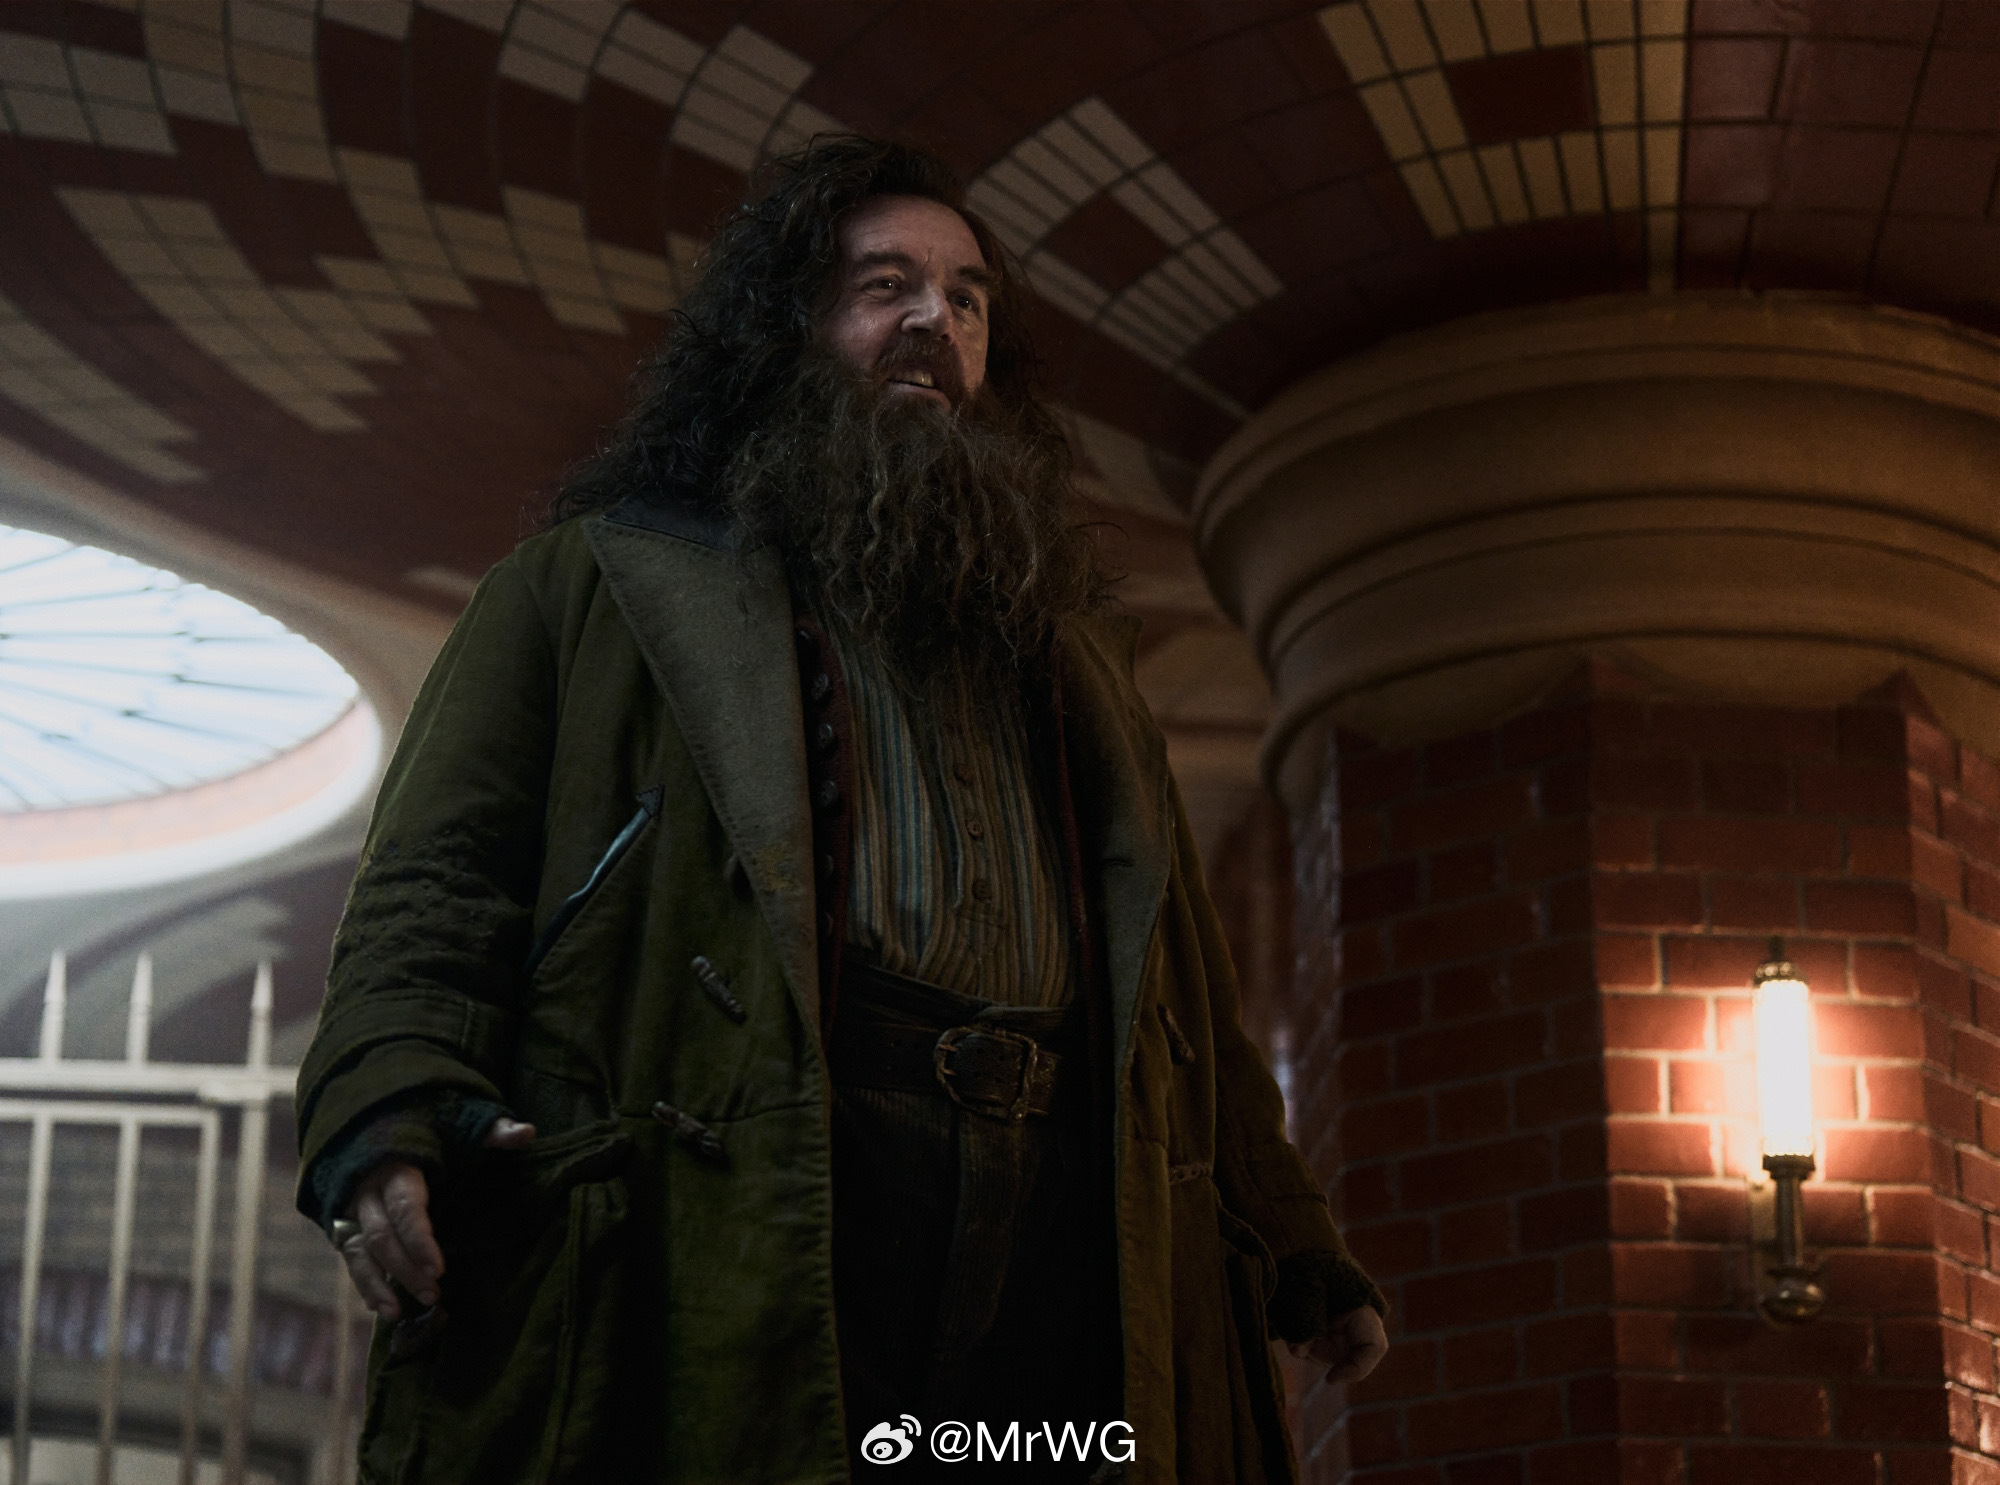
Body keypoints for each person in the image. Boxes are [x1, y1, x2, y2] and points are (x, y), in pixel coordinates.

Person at [295, 134, 1385, 1484]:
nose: (936, 320)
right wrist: (385, 1104)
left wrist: (1291, 1234)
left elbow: (1187, 989)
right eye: (885, 286)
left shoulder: (1077, 661)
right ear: (784, 330)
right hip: (786, 1174)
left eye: (968, 298)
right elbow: (437, 881)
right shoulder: (583, 590)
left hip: (1055, 1209)